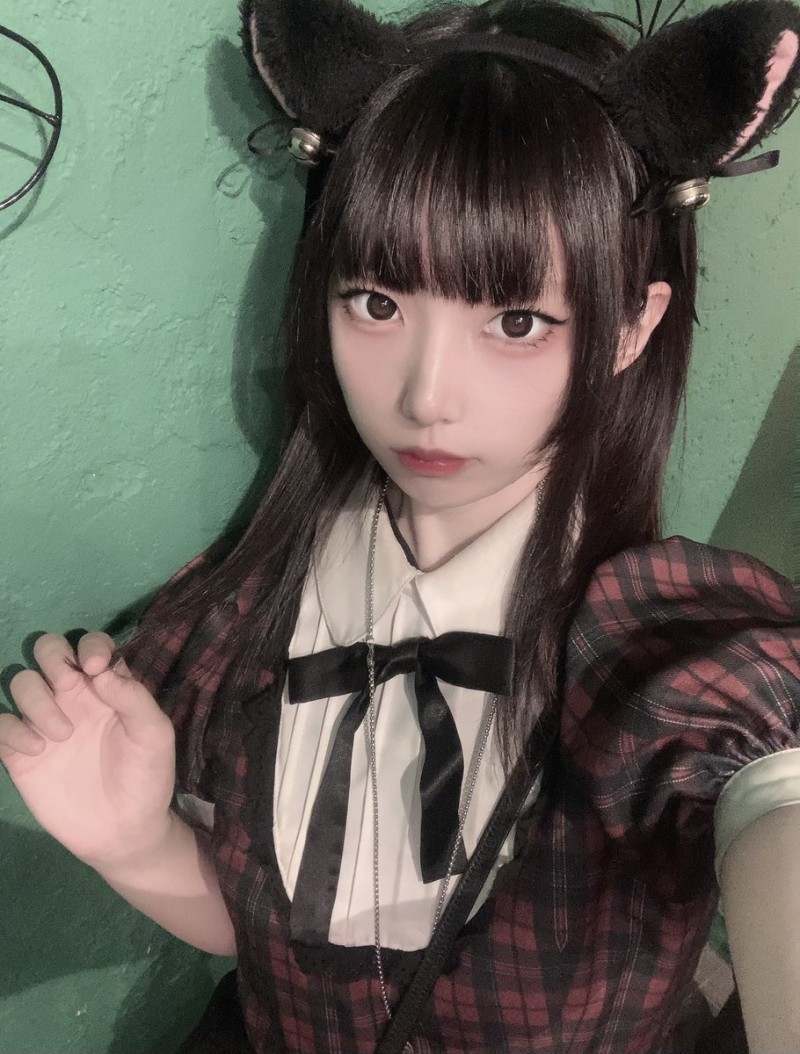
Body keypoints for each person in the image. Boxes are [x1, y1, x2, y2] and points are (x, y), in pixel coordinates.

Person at [1, 0, 799, 1051]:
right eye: (376, 303)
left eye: (515, 322)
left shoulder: (658, 643)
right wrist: (135, 845)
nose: (425, 398)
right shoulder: (246, 612)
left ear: (629, 327)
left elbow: (773, 786)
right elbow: (272, 953)